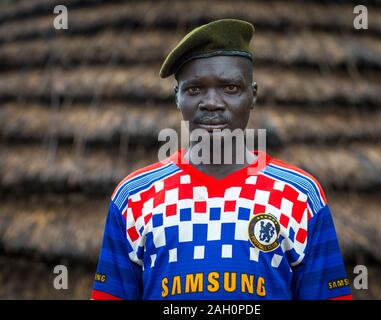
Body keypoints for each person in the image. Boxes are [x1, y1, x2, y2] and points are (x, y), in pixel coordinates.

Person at [91, 19, 352, 300]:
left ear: (252, 95)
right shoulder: (134, 196)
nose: (211, 102)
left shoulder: (300, 195)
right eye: (194, 90)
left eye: (230, 88)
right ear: (176, 98)